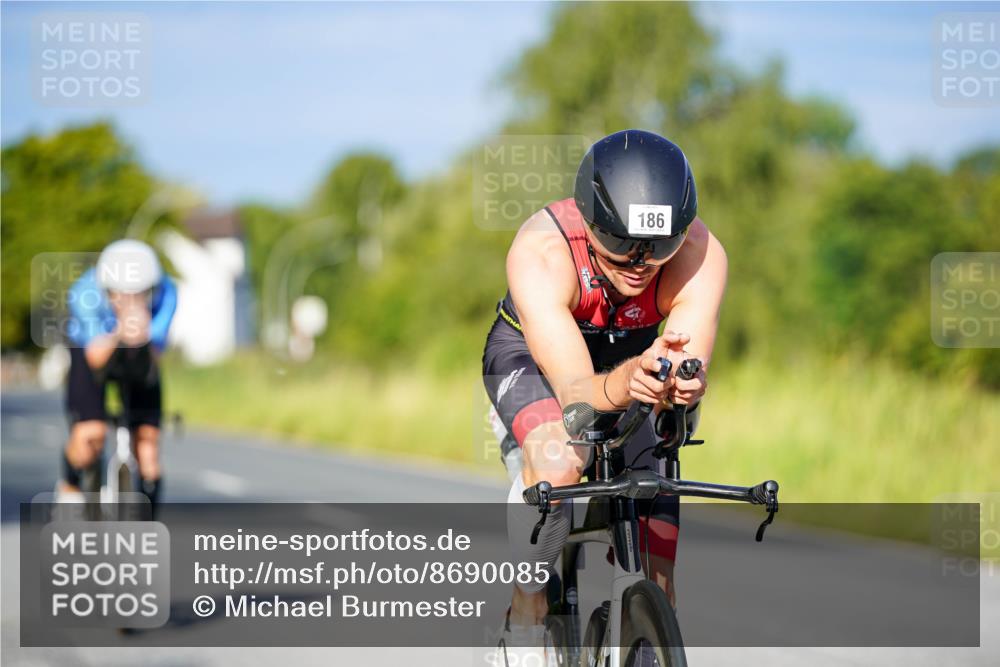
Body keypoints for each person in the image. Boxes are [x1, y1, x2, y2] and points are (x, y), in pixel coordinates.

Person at [482, 129, 727, 664]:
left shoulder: (701, 252)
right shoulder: (542, 251)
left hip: (636, 358)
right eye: (620, 243)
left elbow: (687, 361)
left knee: (655, 531)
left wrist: (685, 383)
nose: (640, 262)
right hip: (537, 360)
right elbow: (576, 395)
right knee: (560, 460)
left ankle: (641, 629)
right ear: (589, 220)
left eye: (658, 246)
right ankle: (524, 614)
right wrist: (628, 381)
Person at [59, 239, 178, 516]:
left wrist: (144, 333)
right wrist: (120, 332)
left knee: (147, 446)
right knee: (91, 434)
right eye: (120, 294)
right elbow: (94, 358)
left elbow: (156, 353)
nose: (129, 301)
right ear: (105, 290)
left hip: (140, 350)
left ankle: (146, 526)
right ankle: (70, 485)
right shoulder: (84, 293)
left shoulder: (167, 293)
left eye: (139, 294)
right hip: (92, 349)